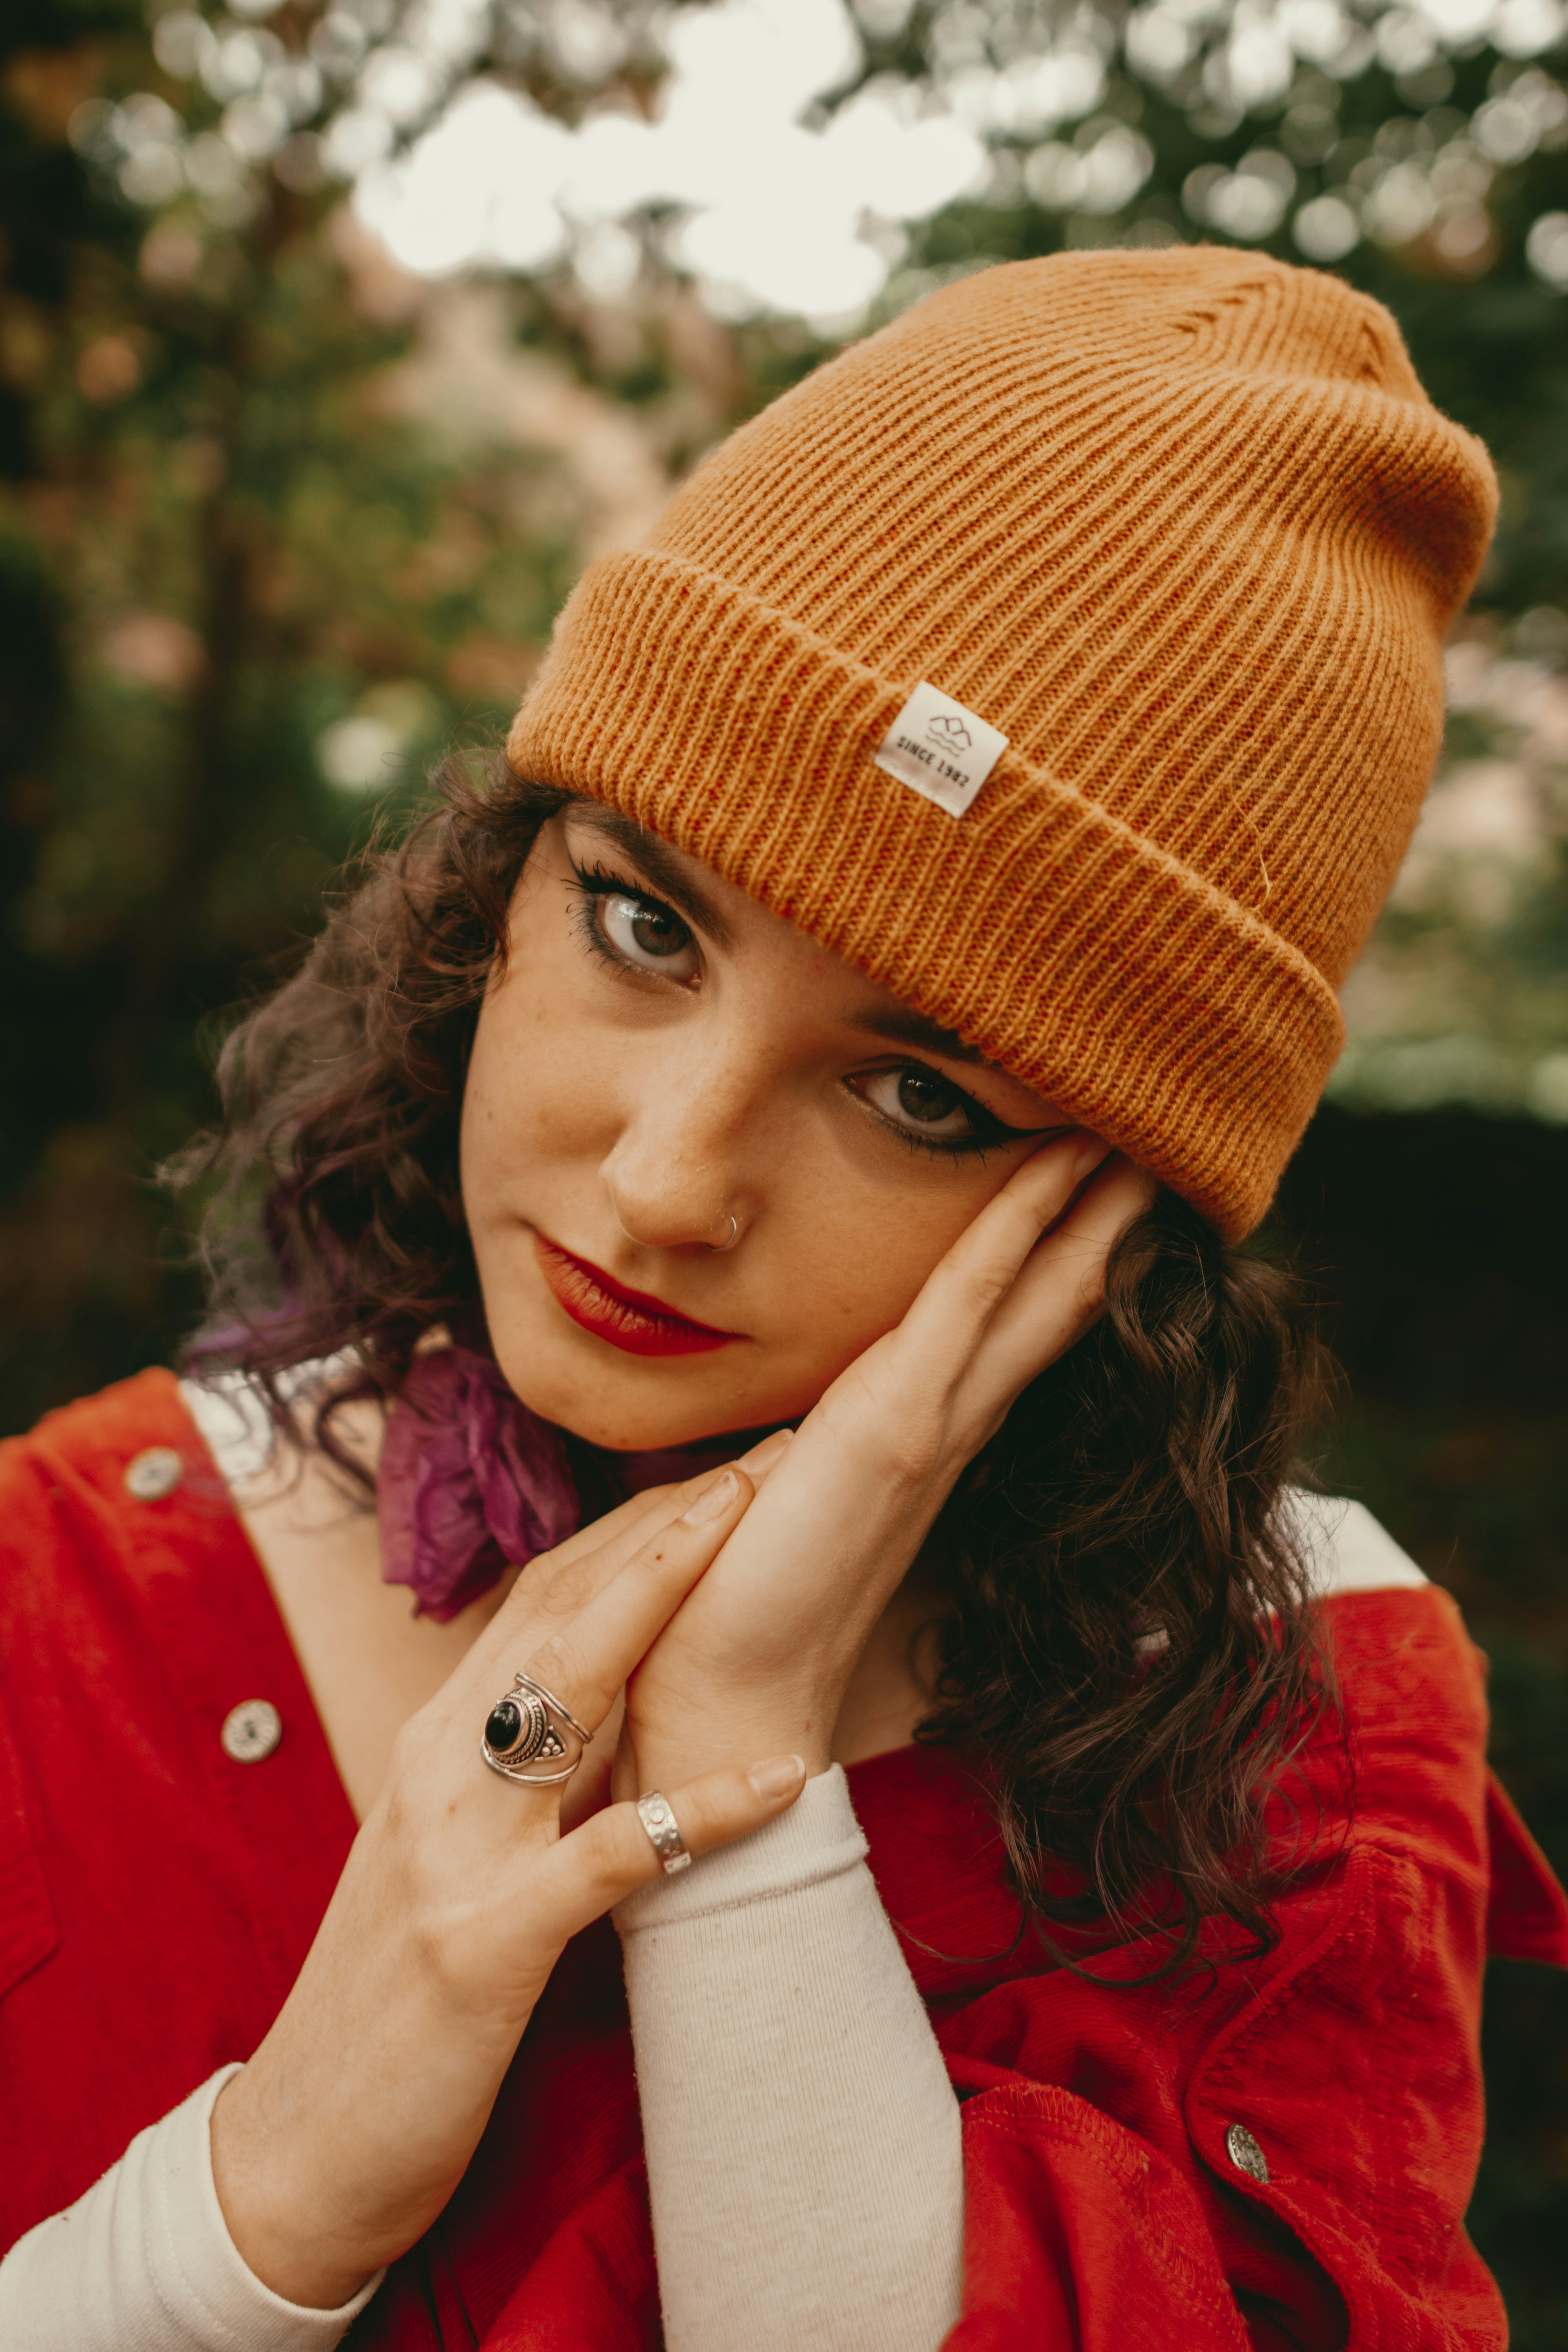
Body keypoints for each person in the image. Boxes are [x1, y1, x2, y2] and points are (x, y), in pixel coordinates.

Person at [2, 245, 1565, 2352]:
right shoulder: (65, 1590)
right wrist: (256, 2212)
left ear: (1129, 1214)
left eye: (921, 1087)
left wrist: (741, 1769)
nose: (663, 1184)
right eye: (645, 921)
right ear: (497, 890)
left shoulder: (1295, 1739)